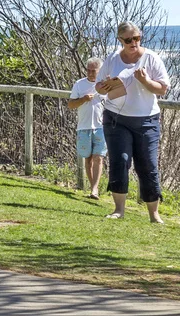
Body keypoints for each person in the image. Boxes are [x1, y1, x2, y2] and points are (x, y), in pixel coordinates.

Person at [95, 21, 170, 223]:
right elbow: (99, 88)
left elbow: (162, 88)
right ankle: (119, 209)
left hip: (147, 120)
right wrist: (106, 85)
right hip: (116, 119)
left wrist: (145, 81)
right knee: (120, 160)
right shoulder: (112, 59)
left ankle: (154, 214)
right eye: (128, 39)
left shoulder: (151, 58)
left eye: (136, 38)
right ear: (120, 40)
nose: (133, 43)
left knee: (147, 165)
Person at [66, 57, 107, 199]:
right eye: (88, 70)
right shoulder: (79, 84)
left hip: (101, 127)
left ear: (99, 71)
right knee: (88, 158)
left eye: (93, 71)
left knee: (99, 157)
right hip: (83, 127)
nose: (90, 73)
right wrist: (83, 99)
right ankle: (92, 187)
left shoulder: (105, 86)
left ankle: (95, 189)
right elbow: (71, 105)